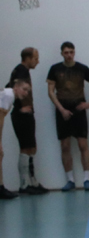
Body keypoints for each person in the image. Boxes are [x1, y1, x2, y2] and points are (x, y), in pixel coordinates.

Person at [46, 41, 89, 191]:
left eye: (71, 52)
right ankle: (70, 180)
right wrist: (61, 109)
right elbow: (50, 92)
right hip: (62, 109)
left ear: (74, 52)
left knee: (83, 145)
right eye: (66, 52)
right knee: (65, 146)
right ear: (62, 53)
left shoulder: (82, 68)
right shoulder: (55, 69)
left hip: (79, 109)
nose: (69, 55)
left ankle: (87, 179)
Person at [10, 48, 45, 193]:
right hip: (22, 116)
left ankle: (32, 182)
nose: (37, 61)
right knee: (25, 148)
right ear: (28, 58)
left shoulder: (23, 71)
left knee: (31, 148)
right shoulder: (21, 71)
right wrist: (20, 107)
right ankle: (24, 185)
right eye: (35, 58)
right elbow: (10, 88)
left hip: (27, 114)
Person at [0, 78, 28, 199]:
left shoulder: (8, 96)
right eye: (24, 89)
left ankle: (1, 187)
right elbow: (0, 119)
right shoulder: (9, 95)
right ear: (16, 88)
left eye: (27, 91)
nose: (26, 93)